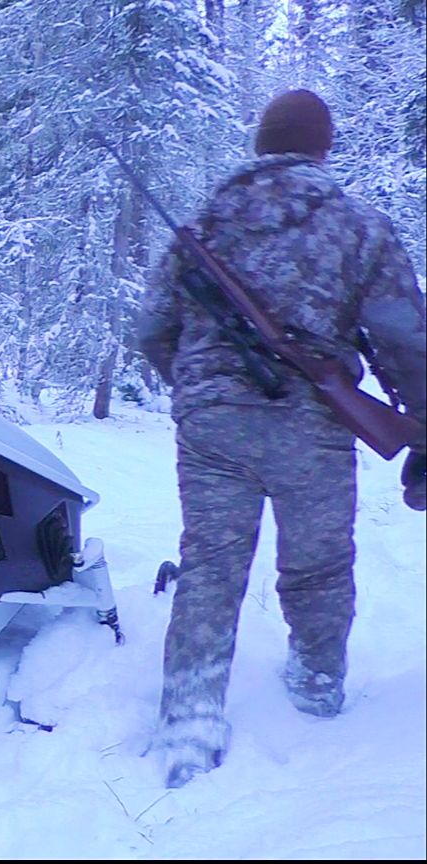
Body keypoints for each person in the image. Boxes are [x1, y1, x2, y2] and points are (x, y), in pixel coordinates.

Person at [136, 89, 427, 789]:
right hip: (310, 427)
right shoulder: (359, 227)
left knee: (208, 565)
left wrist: (198, 384)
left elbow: (151, 330)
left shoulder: (202, 224)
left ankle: (189, 720)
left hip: (209, 425)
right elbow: (402, 339)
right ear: (323, 148)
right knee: (319, 565)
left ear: (260, 146)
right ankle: (316, 686)